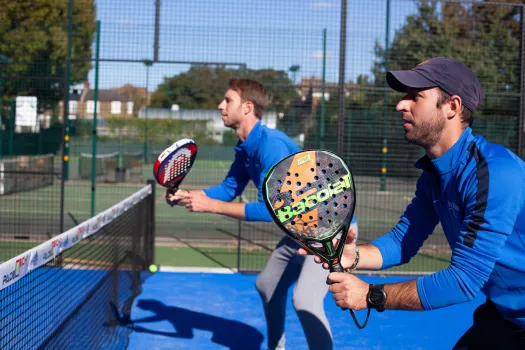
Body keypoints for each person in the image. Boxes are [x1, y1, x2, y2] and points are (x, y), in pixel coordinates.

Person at [300, 57, 525, 349]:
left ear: (452, 107)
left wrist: (370, 295)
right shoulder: (435, 174)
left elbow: (464, 280)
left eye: (415, 96)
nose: (401, 105)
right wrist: (350, 256)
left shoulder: (495, 173)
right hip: (507, 316)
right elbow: (402, 242)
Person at [167, 78, 358, 350]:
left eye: (227, 100)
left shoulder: (271, 145)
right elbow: (228, 188)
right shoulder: (247, 148)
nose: (220, 106)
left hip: (330, 230)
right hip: (301, 231)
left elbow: (271, 211)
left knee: (304, 299)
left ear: (247, 107)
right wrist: (188, 196)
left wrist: (210, 206)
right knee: (268, 285)